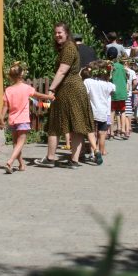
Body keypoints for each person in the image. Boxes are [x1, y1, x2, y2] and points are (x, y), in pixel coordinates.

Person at [36, 23, 93, 168]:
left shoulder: (68, 48)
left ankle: (50, 158)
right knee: (77, 125)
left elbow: (62, 71)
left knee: (54, 124)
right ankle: (74, 160)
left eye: (60, 32)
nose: (57, 35)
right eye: (55, 33)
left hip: (68, 89)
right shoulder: (71, 47)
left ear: (67, 33)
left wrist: (51, 90)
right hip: (75, 89)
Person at [1, 62, 52, 174]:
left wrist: (0, 120)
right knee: (20, 143)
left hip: (12, 120)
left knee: (16, 143)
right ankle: (10, 162)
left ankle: (21, 164)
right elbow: (38, 96)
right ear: (21, 75)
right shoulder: (26, 88)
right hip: (23, 119)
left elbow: (5, 106)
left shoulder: (8, 90)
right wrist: (49, 97)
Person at [83, 61, 115, 164]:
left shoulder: (88, 82)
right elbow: (113, 91)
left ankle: (93, 152)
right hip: (105, 113)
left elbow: (85, 94)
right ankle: (101, 150)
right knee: (102, 133)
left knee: (91, 132)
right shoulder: (109, 85)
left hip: (91, 111)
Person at [107, 49, 130, 140]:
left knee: (111, 112)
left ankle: (111, 131)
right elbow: (125, 78)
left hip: (113, 93)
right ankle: (123, 130)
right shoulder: (121, 66)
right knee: (123, 111)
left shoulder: (110, 66)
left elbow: (108, 79)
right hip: (122, 92)